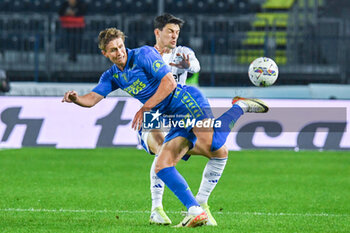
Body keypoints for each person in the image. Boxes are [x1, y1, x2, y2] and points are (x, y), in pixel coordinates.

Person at [62, 28, 268, 228]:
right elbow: (91, 99)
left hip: (185, 102)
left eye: (121, 46)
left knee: (215, 146)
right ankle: (186, 210)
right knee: (162, 163)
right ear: (105, 53)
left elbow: (169, 83)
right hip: (166, 114)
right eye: (113, 50)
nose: (119, 52)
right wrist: (76, 99)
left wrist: (146, 107)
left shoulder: (143, 54)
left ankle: (239, 107)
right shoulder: (112, 76)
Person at [139, 13, 215, 226]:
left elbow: (196, 67)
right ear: (158, 32)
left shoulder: (184, 52)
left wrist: (188, 63)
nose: (174, 36)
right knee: (160, 149)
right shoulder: (146, 55)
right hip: (155, 111)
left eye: (177, 32)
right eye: (170, 32)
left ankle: (199, 204)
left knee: (215, 148)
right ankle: (157, 208)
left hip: (178, 111)